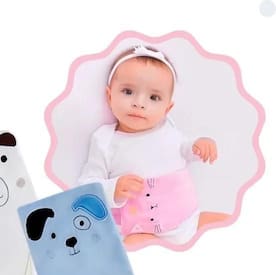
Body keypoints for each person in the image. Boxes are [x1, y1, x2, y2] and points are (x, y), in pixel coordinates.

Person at [78, 45, 227, 246]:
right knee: (136, 246)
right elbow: (86, 185)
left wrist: (200, 146)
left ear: (167, 108)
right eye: (128, 91)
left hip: (188, 220)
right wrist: (113, 188)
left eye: (154, 97)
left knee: (226, 221)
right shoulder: (105, 139)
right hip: (138, 230)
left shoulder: (169, 129)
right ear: (109, 95)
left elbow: (185, 149)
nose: (139, 103)